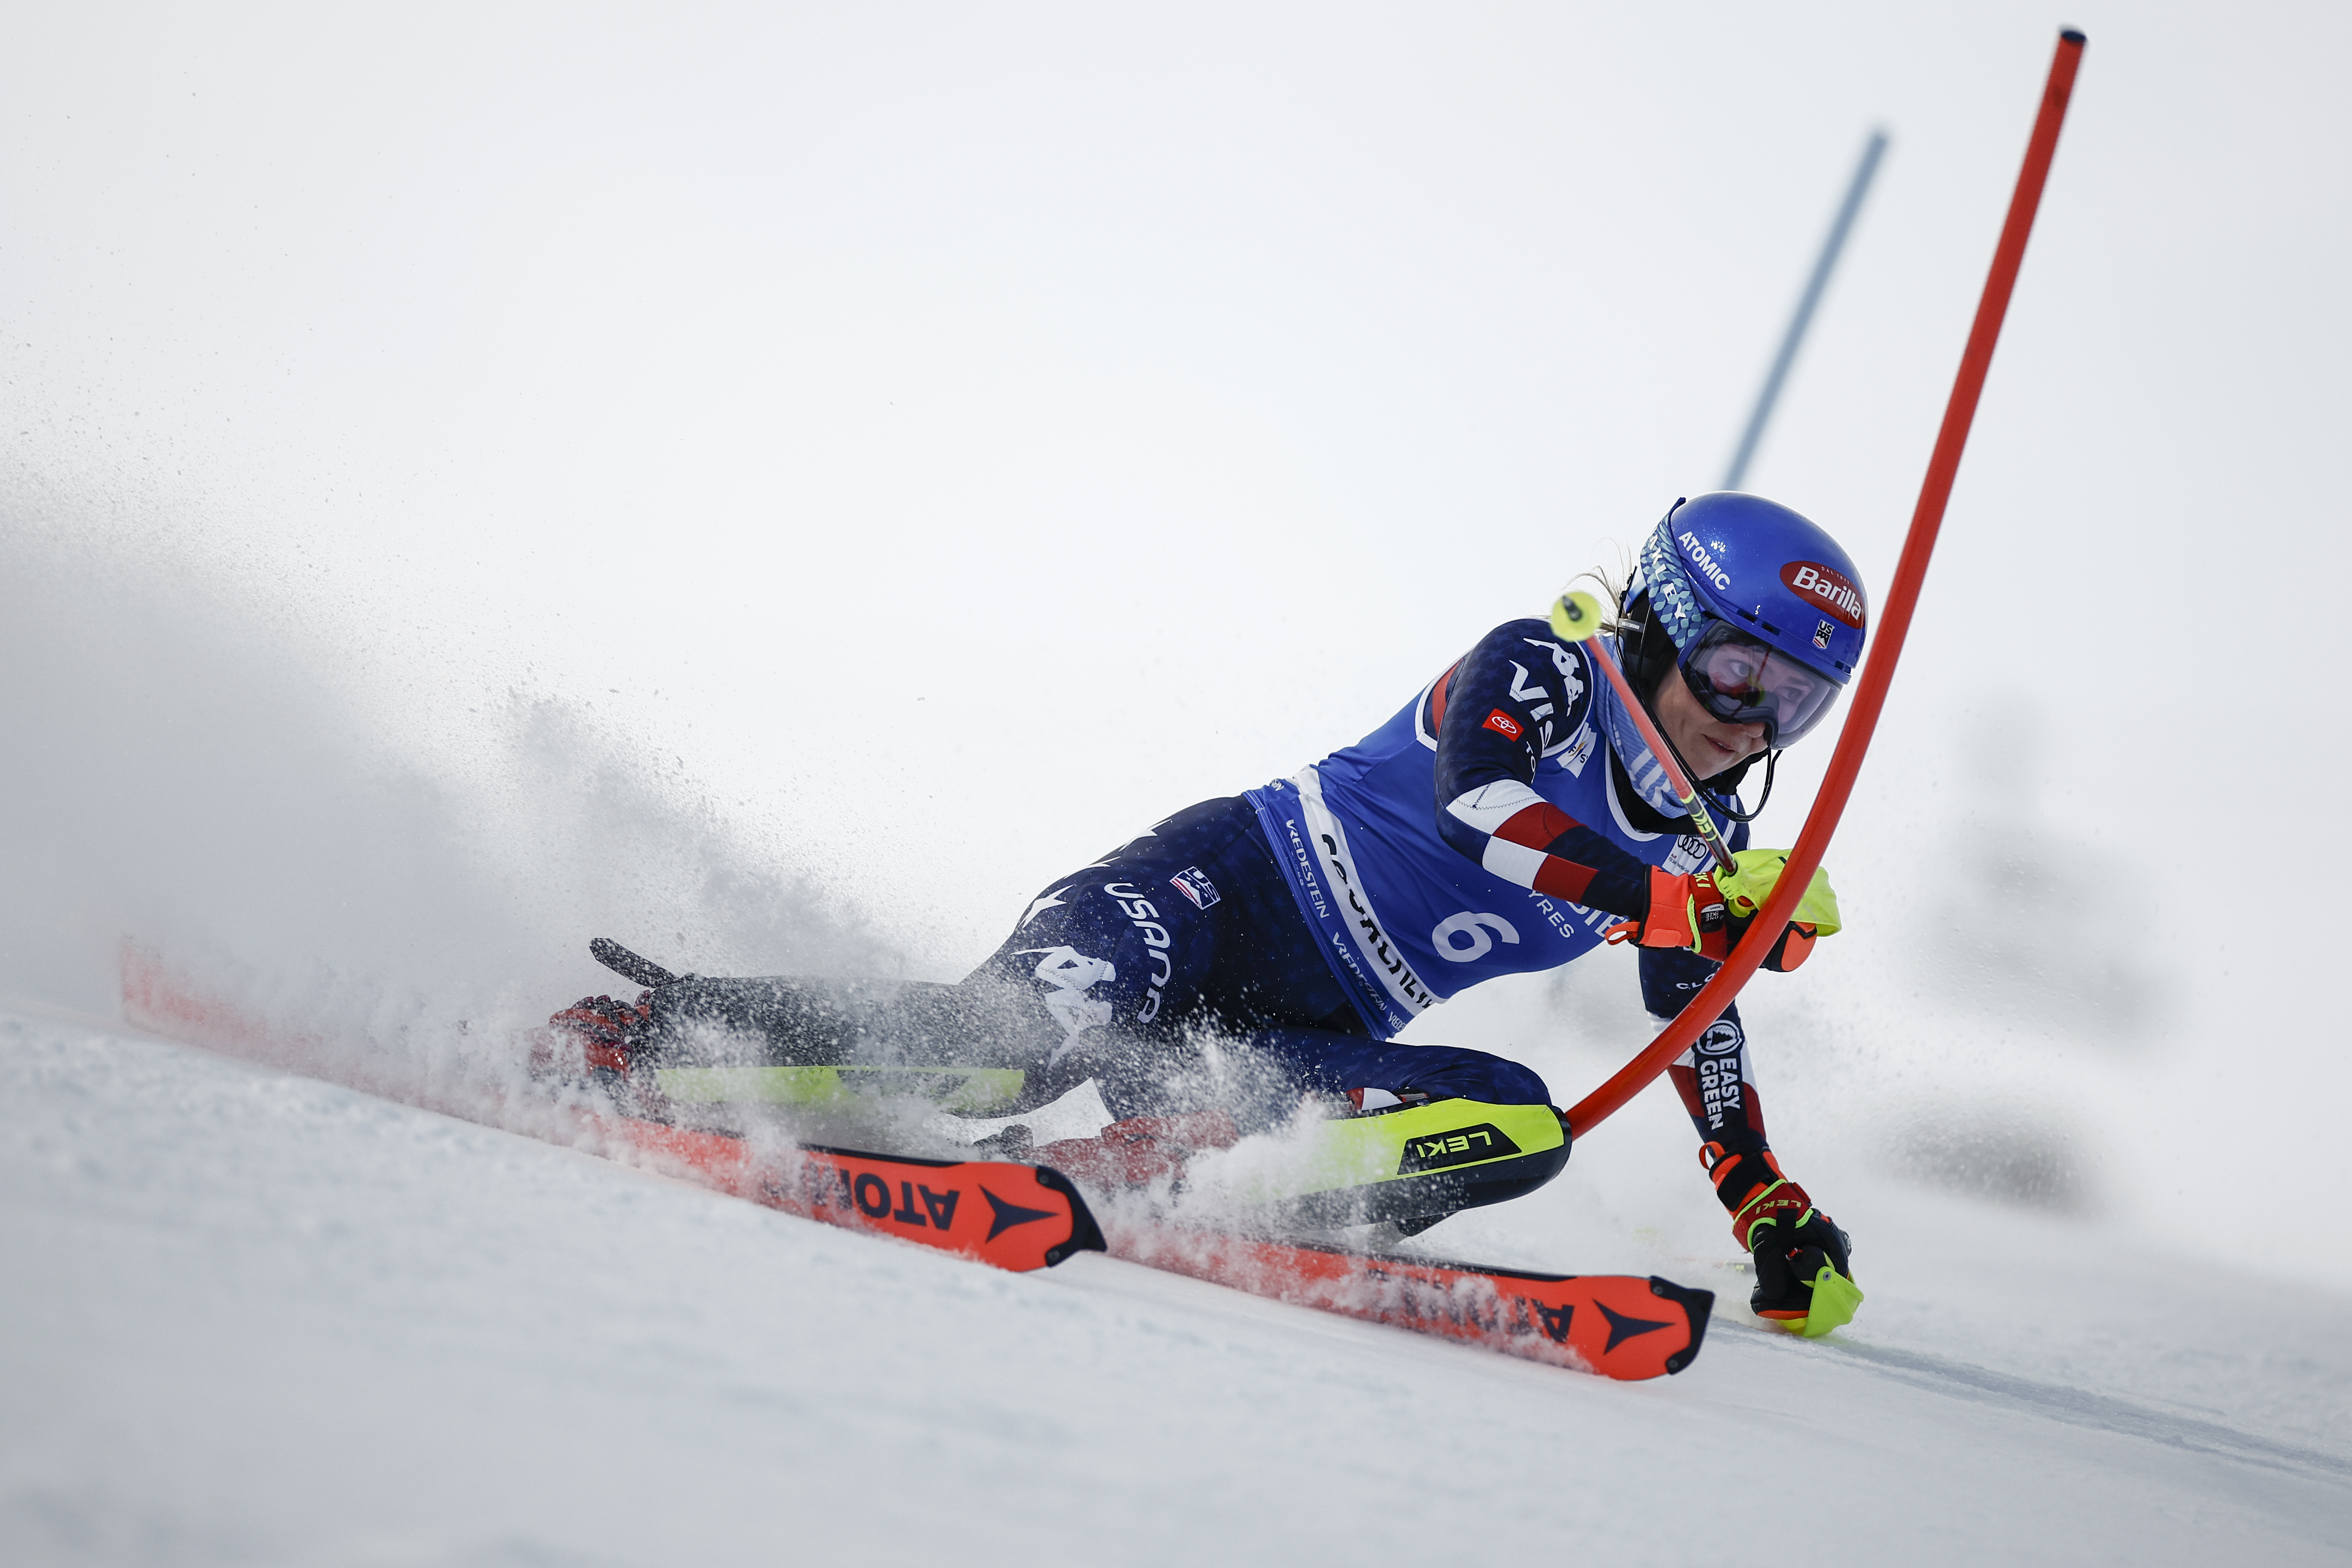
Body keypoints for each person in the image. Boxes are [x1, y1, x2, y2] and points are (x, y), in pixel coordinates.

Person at [549, 492, 1866, 1328]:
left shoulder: (1701, 843)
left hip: (1284, 1038)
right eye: (1735, 671)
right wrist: (1675, 899)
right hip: (1210, 898)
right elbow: (1481, 807)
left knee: (1523, 1126)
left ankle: (1160, 1171)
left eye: (1794, 704)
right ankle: (652, 1036)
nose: (1750, 722)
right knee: (999, 1059)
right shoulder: (1545, 665)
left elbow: (1696, 1018)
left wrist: (1762, 1199)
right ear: (1664, 620)